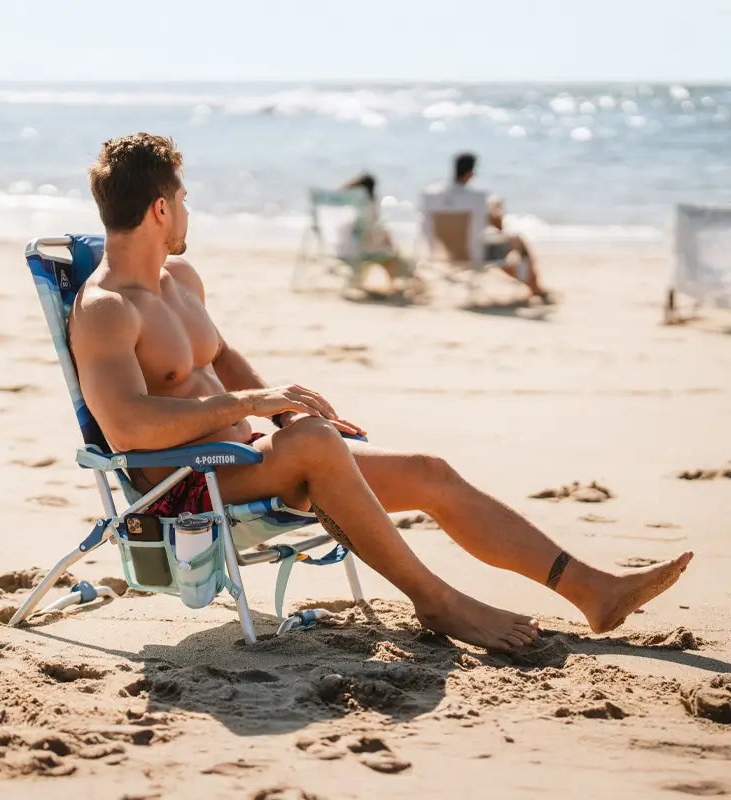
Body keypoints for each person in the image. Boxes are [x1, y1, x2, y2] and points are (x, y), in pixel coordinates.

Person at [69, 133, 691, 654]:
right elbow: (127, 430)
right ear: (159, 210)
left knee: (427, 471)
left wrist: (280, 408)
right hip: (185, 487)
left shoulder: (179, 278)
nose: (187, 212)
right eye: (183, 199)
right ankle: (439, 603)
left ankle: (592, 591)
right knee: (313, 444)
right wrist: (251, 408)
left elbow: (221, 359)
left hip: (255, 456)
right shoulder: (105, 309)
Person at [424, 153, 551, 303]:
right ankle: (535, 287)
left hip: (446, 252)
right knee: (516, 241)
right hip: (474, 253)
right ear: (471, 172)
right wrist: (495, 208)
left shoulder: (432, 196)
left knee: (499, 250)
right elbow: (499, 226)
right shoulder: (475, 197)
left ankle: (533, 286)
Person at [337, 173, 417, 296]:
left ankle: (398, 282)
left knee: (387, 246)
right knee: (393, 253)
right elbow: (370, 233)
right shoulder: (367, 206)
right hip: (361, 250)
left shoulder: (343, 205)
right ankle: (405, 281)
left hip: (341, 248)